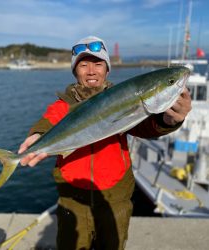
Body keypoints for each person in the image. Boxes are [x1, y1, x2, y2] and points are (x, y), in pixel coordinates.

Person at [18, 36, 191, 250]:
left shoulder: (122, 97)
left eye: (98, 64)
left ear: (107, 69)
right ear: (75, 71)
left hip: (115, 198)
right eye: (84, 64)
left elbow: (145, 126)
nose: (91, 71)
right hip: (72, 197)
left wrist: (169, 120)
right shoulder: (64, 106)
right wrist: (37, 135)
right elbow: (48, 122)